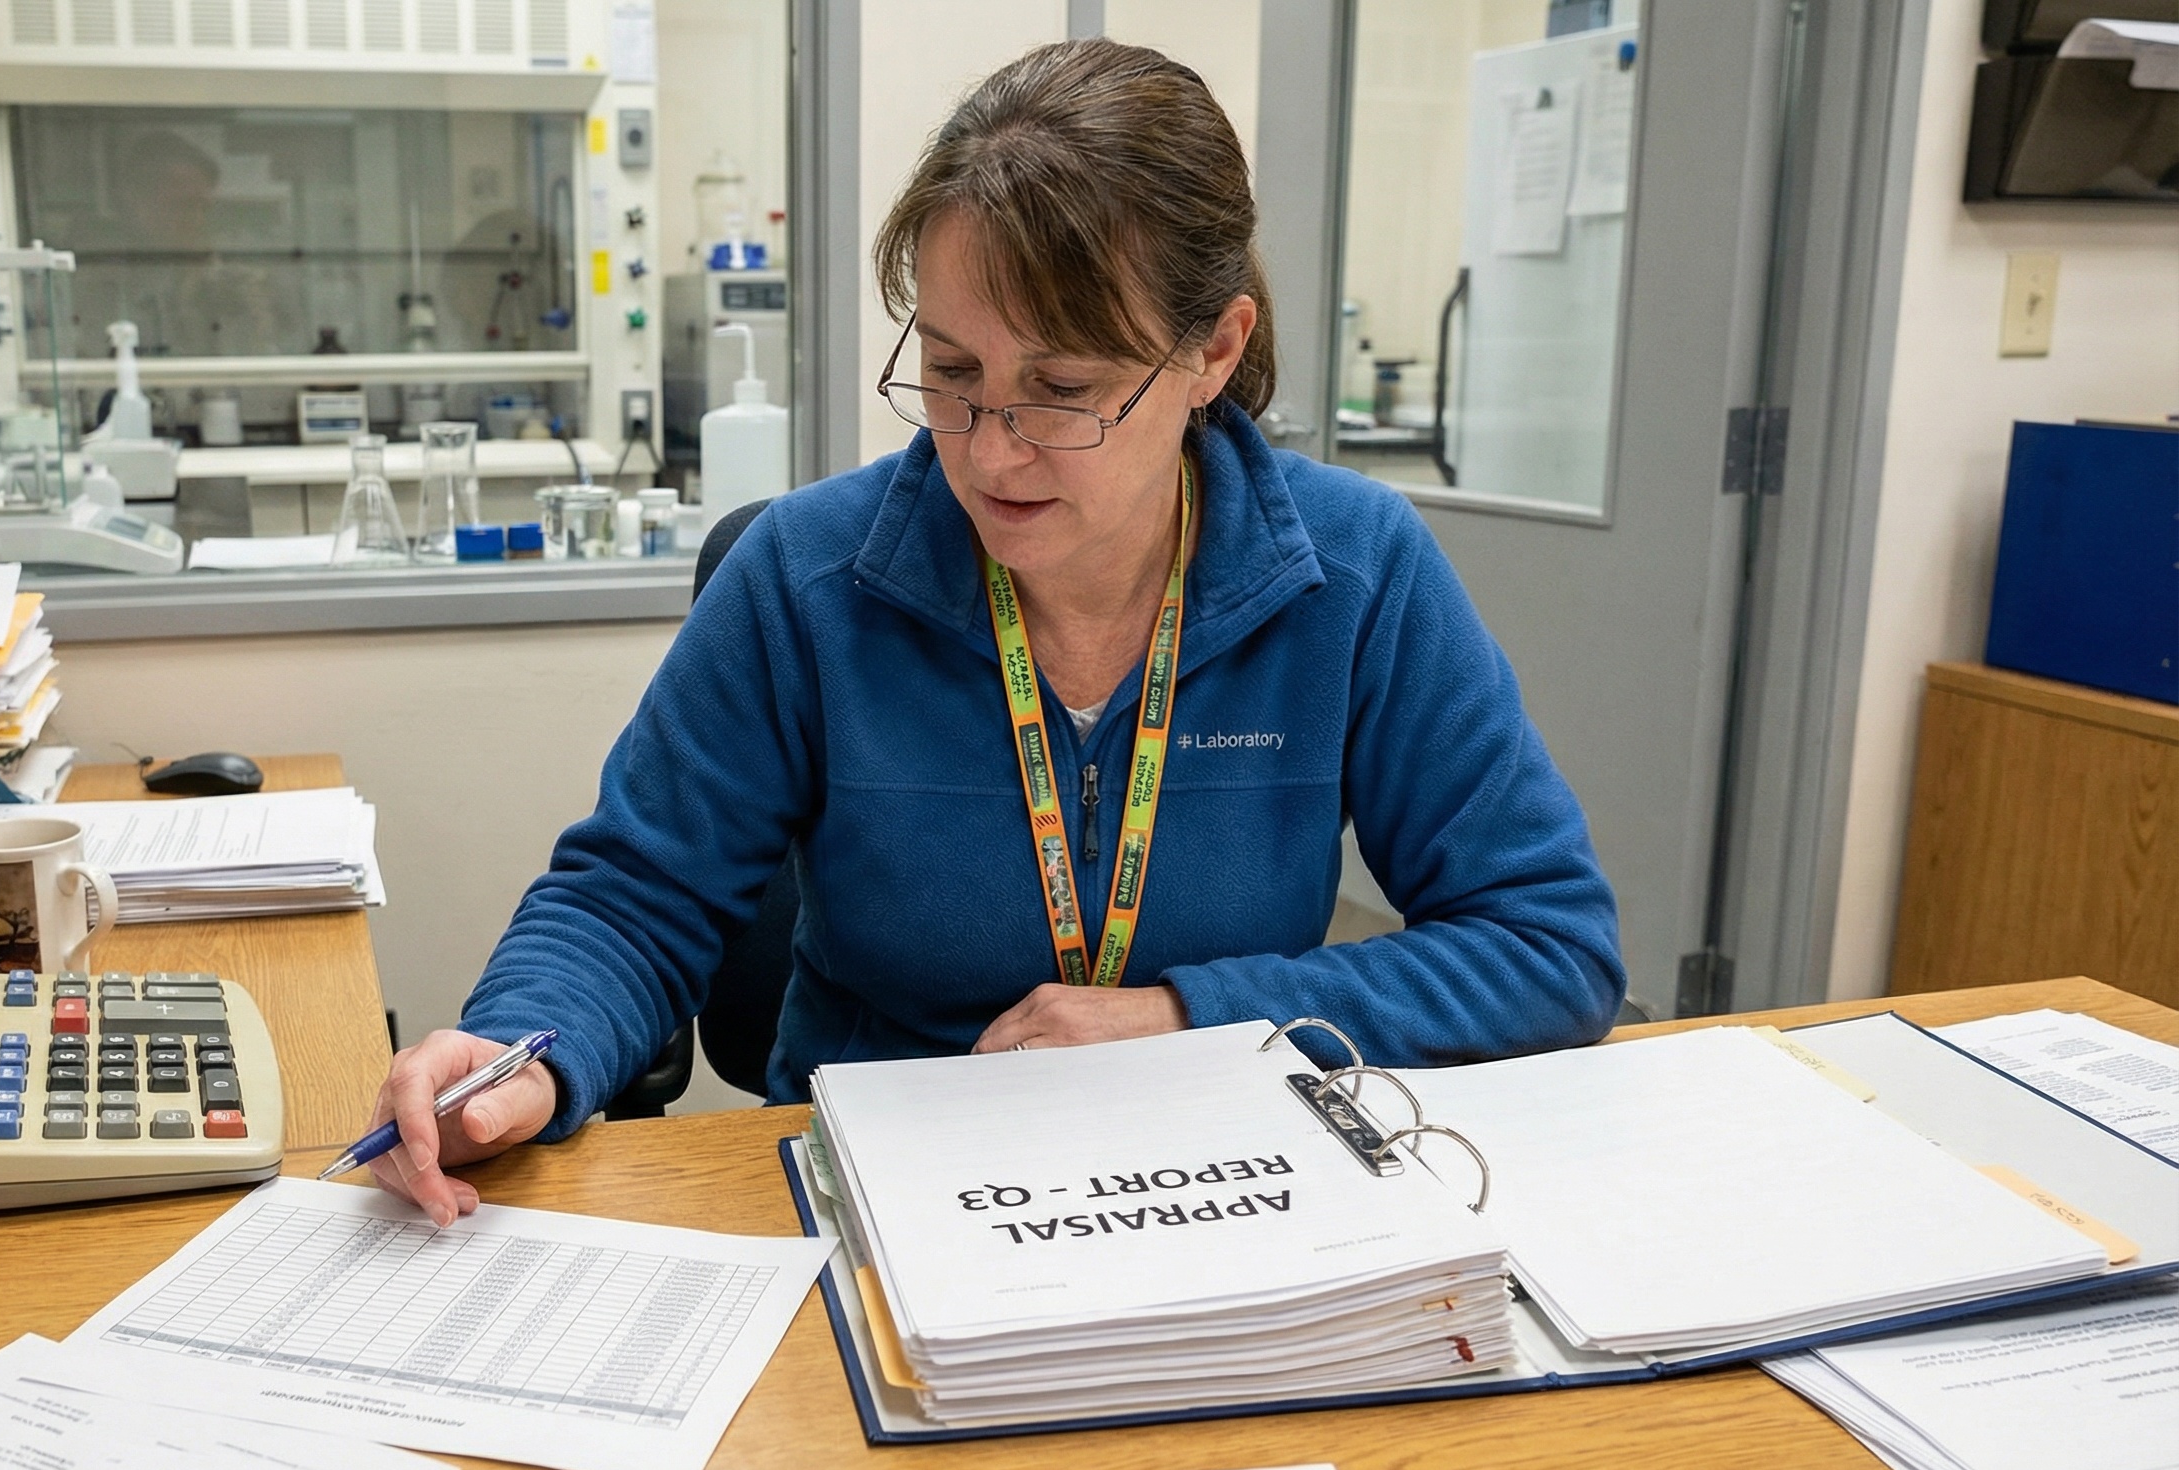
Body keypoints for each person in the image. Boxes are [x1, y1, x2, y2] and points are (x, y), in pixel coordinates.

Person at [369, 39, 1626, 1226]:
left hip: (1226, 1179)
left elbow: (1545, 944)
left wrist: (1193, 1014)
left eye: (1064, 391)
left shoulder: (1353, 576)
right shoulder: (806, 579)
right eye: (956, 374)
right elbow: (632, 901)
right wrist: (524, 1051)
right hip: (873, 1187)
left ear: (1212, 351)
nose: (989, 451)